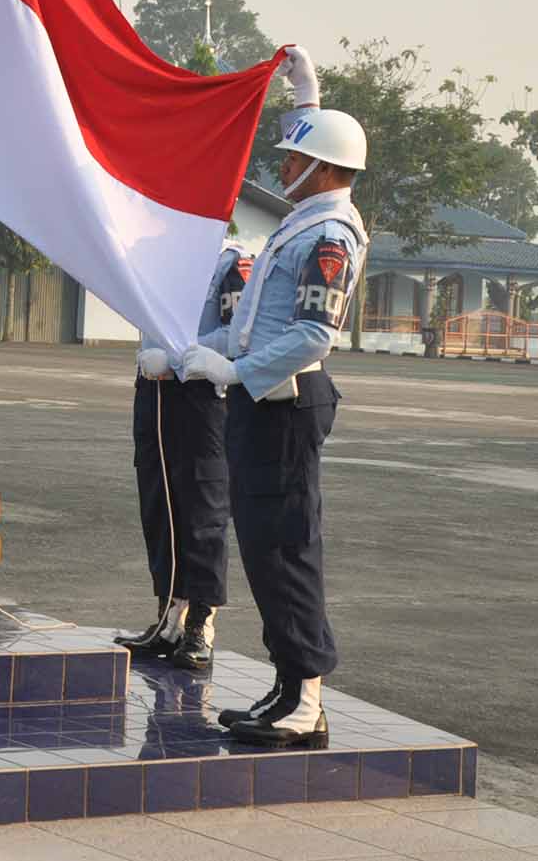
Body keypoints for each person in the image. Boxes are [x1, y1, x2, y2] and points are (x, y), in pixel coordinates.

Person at [181, 44, 367, 749]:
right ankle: (289, 682)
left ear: (321, 171)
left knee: (287, 547)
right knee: (261, 545)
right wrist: (305, 92)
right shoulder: (306, 216)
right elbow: (263, 320)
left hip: (288, 401)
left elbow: (315, 332)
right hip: (266, 399)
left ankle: (308, 697)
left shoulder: (330, 232)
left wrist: (232, 372)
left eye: (293, 159)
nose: (282, 167)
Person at [117, 239, 253, 671]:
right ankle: (168, 617)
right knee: (159, 507)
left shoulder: (230, 261)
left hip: (201, 393)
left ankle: (200, 623)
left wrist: (176, 358)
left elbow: (240, 334)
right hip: (154, 392)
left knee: (202, 511)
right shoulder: (151, 254)